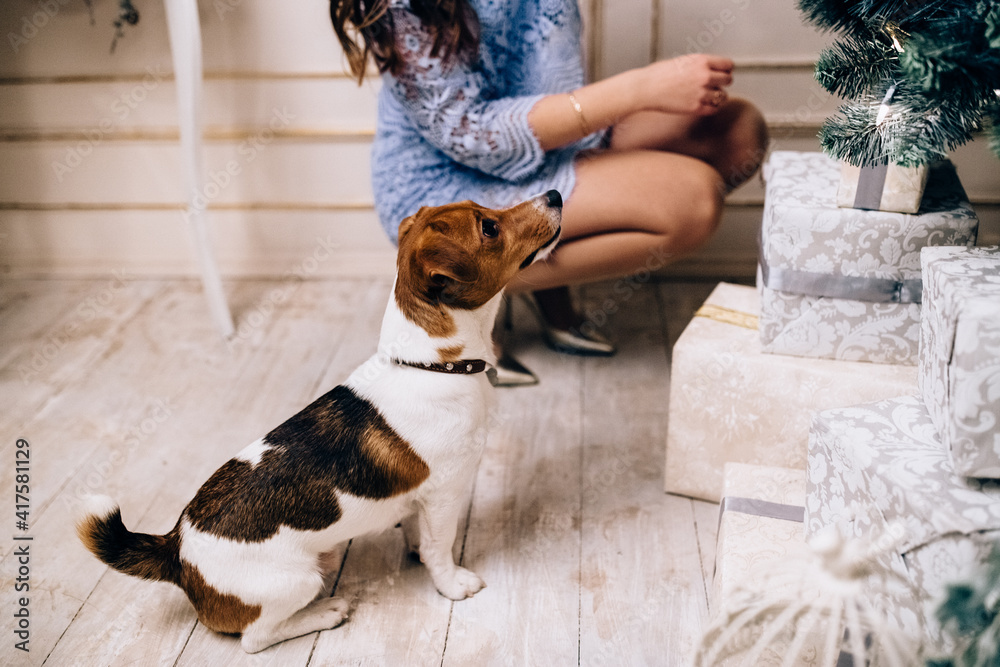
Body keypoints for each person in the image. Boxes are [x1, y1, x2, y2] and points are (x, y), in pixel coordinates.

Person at [330, 0, 768, 385]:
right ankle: (472, 295)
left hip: (546, 138)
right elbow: (474, 134)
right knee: (693, 202)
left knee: (737, 132)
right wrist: (640, 88)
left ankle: (536, 269)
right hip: (446, 179)